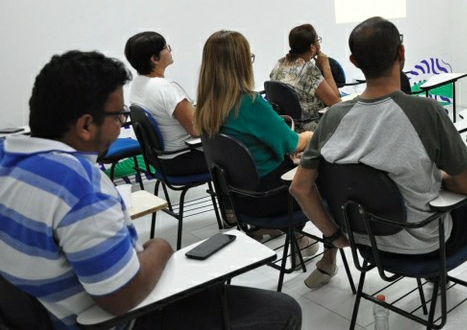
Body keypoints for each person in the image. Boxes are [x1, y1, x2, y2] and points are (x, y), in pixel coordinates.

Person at [0, 50, 301, 330]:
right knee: (282, 310)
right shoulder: (79, 185)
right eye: (119, 117)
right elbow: (121, 297)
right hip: (120, 320)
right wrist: (160, 248)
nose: (121, 125)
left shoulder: (7, 156)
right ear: (86, 125)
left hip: (45, 315)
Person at [290, 16, 467, 310]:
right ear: (401, 54)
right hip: (425, 243)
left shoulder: (332, 118)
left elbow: (300, 188)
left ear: (353, 60)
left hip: (366, 243)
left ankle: (438, 277)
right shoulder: (424, 110)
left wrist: (335, 235)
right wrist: (439, 177)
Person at [194, 30, 331, 288]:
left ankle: (299, 238)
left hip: (241, 201)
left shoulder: (205, 106)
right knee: (327, 170)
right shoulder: (249, 103)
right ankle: (329, 253)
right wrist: (312, 134)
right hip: (274, 197)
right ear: (241, 63)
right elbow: (292, 142)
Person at [124, 31, 207, 176]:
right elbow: (196, 130)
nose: (169, 50)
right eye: (165, 47)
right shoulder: (166, 88)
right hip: (184, 159)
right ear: (155, 58)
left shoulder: (138, 84)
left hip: (161, 161)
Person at [269, 24, 341, 131]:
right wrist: (326, 67)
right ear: (312, 47)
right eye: (317, 40)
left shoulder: (279, 64)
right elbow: (336, 103)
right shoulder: (308, 70)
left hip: (286, 127)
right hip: (309, 129)